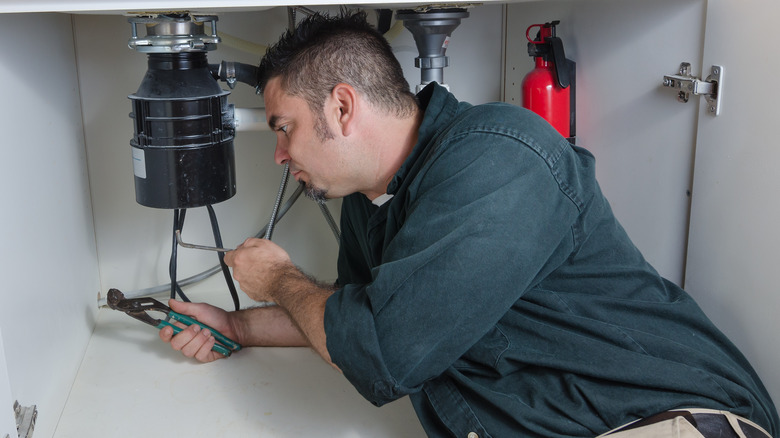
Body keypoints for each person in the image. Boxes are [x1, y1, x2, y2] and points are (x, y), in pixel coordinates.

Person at [159, 10, 779, 438]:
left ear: (342, 107)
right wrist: (237, 323)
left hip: (656, 420)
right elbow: (353, 321)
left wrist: (278, 279)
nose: (279, 154)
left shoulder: (499, 156)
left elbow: (380, 352)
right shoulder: (367, 202)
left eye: (284, 127)